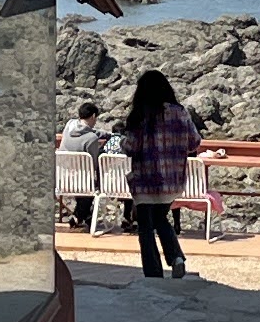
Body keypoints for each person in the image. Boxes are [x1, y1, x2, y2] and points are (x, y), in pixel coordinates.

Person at [119, 66, 200, 281]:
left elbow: (131, 146)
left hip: (145, 180)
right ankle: (176, 258)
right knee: (161, 218)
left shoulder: (141, 115)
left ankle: (153, 273)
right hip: (172, 181)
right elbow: (194, 142)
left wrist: (121, 141)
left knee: (146, 227)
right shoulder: (180, 112)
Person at [54, 100, 112, 233]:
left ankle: (83, 218)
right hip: (81, 183)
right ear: (93, 116)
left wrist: (101, 133)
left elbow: (86, 130)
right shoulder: (91, 139)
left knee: (84, 183)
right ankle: (80, 216)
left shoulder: (69, 125)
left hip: (62, 178)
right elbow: (93, 165)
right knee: (91, 185)